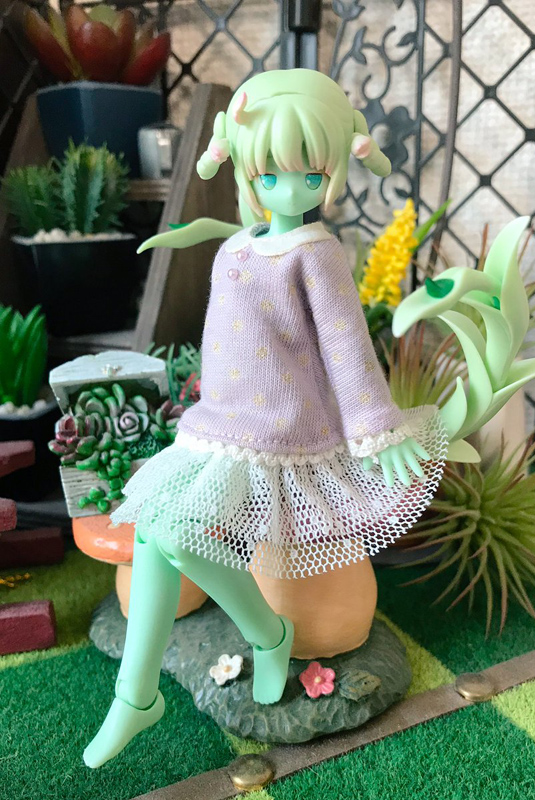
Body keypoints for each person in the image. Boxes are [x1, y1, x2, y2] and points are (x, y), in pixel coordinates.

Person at [83, 68, 447, 769]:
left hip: (285, 436)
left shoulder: (318, 254)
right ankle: (170, 679)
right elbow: (225, 343)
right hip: (220, 428)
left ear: (332, 172)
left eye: (309, 175)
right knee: (158, 531)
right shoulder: (235, 248)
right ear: (245, 171)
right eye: (270, 175)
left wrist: (375, 426)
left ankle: (206, 661)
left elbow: (347, 347)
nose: (288, 190)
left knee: (171, 535)